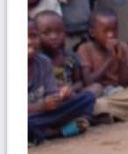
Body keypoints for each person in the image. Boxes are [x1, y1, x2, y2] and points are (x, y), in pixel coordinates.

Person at [28, 18, 95, 146]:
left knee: (88, 98)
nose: (29, 42)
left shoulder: (43, 62)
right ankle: (56, 132)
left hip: (42, 115)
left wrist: (61, 95)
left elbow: (51, 95)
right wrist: (40, 106)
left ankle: (40, 133)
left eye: (33, 36)